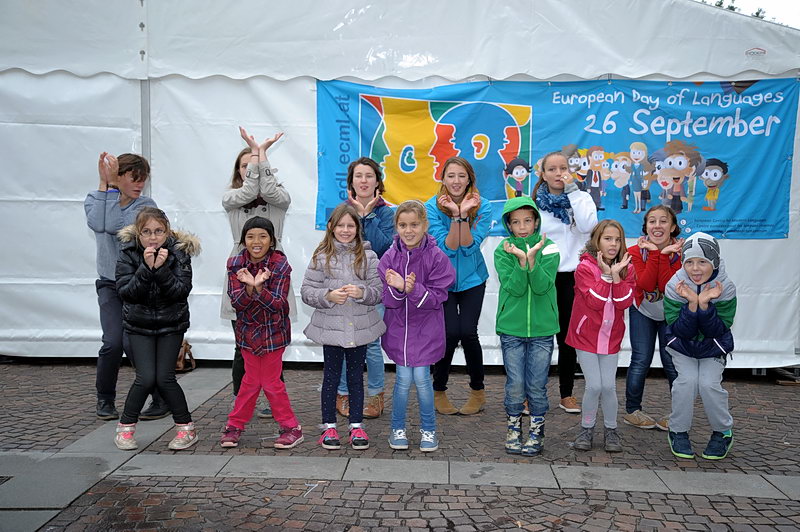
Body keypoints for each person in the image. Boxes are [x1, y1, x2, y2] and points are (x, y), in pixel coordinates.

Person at [84, 152, 168, 421]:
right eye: (134, 178)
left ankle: (160, 398)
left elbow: (114, 226)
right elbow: (98, 223)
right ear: (117, 176)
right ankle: (105, 399)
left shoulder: (145, 206)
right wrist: (106, 186)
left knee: (134, 344)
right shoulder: (95, 198)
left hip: (137, 283)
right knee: (112, 343)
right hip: (109, 284)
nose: (140, 184)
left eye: (143, 179)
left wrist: (108, 188)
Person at [113, 208, 200, 450]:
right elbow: (126, 292)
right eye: (147, 232)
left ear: (167, 231)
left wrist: (160, 269)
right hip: (138, 325)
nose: (153, 237)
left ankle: (186, 429)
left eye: (159, 231)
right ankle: (125, 429)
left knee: (164, 378)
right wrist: (146, 268)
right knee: (145, 378)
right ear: (138, 234)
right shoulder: (128, 254)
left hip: (171, 325)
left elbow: (180, 291)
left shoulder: (179, 253)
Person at [301, 204, 385, 450]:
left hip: (359, 328)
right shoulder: (320, 257)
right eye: (341, 225)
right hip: (332, 329)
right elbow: (307, 291)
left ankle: (356, 425)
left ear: (358, 228)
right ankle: (329, 427)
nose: (346, 230)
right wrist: (327, 295)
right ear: (331, 227)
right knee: (331, 377)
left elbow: (378, 291)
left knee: (356, 377)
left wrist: (362, 292)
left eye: (350, 225)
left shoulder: (369, 256)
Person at [221, 127, 291, 418]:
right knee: (242, 345)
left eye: (255, 166)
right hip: (241, 275)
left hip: (273, 276)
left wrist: (260, 155)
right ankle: (241, 400)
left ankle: (275, 401)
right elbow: (250, 191)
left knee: (274, 345)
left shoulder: (278, 198)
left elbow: (269, 191)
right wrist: (256, 153)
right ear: (239, 172)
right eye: (244, 166)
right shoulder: (231, 198)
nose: (250, 171)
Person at [219, 217, 303, 449]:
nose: (256, 242)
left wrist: (258, 287)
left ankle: (290, 427)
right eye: (250, 237)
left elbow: (278, 303)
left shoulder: (280, 264)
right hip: (247, 333)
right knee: (250, 381)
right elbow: (237, 303)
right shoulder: (235, 263)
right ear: (243, 240)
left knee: (270, 382)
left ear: (272, 240)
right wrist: (250, 286)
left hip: (274, 333)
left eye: (262, 236)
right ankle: (236, 425)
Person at [379, 201, 456, 451]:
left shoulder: (437, 257)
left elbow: (437, 297)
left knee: (422, 378)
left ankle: (429, 430)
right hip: (399, 331)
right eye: (403, 225)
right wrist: (399, 288)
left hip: (426, 330)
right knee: (402, 379)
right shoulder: (389, 257)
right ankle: (397, 428)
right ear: (396, 227)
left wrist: (411, 289)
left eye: (414, 224)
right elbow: (387, 299)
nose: (408, 230)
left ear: (425, 225)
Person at [532, 151, 598, 414]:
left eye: (563, 168)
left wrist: (573, 192)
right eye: (552, 169)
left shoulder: (581, 198)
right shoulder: (534, 204)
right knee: (538, 337)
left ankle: (566, 394)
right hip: (543, 275)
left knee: (567, 339)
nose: (558, 173)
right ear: (543, 174)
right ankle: (532, 394)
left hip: (573, 277)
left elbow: (588, 226)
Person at [425, 157, 492, 415]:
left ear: (469, 179)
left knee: (468, 333)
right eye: (451, 175)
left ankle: (478, 391)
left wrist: (464, 214)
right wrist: (456, 215)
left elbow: (468, 246)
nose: (456, 181)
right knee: (450, 333)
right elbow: (447, 247)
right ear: (442, 178)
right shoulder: (431, 207)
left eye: (461, 176)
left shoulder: (483, 206)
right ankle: (439, 389)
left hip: (473, 279)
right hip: (442, 281)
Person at [494, 196, 560, 456]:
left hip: (543, 331)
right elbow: (515, 288)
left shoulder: (550, 248)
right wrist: (522, 262)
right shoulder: (503, 250)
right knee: (515, 384)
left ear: (536, 222)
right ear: (508, 225)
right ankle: (513, 429)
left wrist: (532, 260)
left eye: (527, 221)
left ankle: (536, 431)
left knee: (536, 385)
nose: (522, 227)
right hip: (511, 330)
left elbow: (543, 286)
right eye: (516, 222)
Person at [664, 232, 737, 460]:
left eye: (702, 262)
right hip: (682, 346)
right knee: (686, 382)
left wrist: (704, 305)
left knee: (708, 384)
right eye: (689, 262)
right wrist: (693, 304)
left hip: (713, 346)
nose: (695, 269)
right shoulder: (674, 285)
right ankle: (678, 431)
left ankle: (722, 432)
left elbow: (718, 329)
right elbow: (680, 330)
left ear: (714, 261)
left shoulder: (725, 286)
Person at [566, 220, 634, 453]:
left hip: (611, 337)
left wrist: (616, 276)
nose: (613, 244)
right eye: (608, 239)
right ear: (597, 241)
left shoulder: (627, 268)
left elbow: (624, 302)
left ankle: (611, 430)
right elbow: (595, 302)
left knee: (608, 387)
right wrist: (606, 277)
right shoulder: (584, 267)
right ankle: (586, 429)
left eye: (617, 239)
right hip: (585, 336)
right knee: (594, 385)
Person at [335, 157, 395, 420]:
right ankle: (343, 394)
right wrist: (355, 216)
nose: (363, 181)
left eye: (369, 176)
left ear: (377, 181)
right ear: (351, 182)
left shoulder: (386, 214)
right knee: (344, 342)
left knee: (371, 344)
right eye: (358, 176)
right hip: (344, 286)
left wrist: (366, 216)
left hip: (373, 288)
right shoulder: (341, 211)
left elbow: (383, 248)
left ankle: (375, 396)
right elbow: (336, 246)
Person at [623, 206, 682, 431]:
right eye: (652, 221)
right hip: (643, 311)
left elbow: (668, 287)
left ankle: (679, 413)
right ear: (646, 227)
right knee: (640, 360)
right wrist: (657, 254)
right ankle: (633, 411)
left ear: (673, 227)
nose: (657, 226)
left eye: (663, 221)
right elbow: (647, 285)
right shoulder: (635, 252)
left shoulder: (683, 253)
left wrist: (662, 255)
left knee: (672, 362)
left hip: (671, 313)